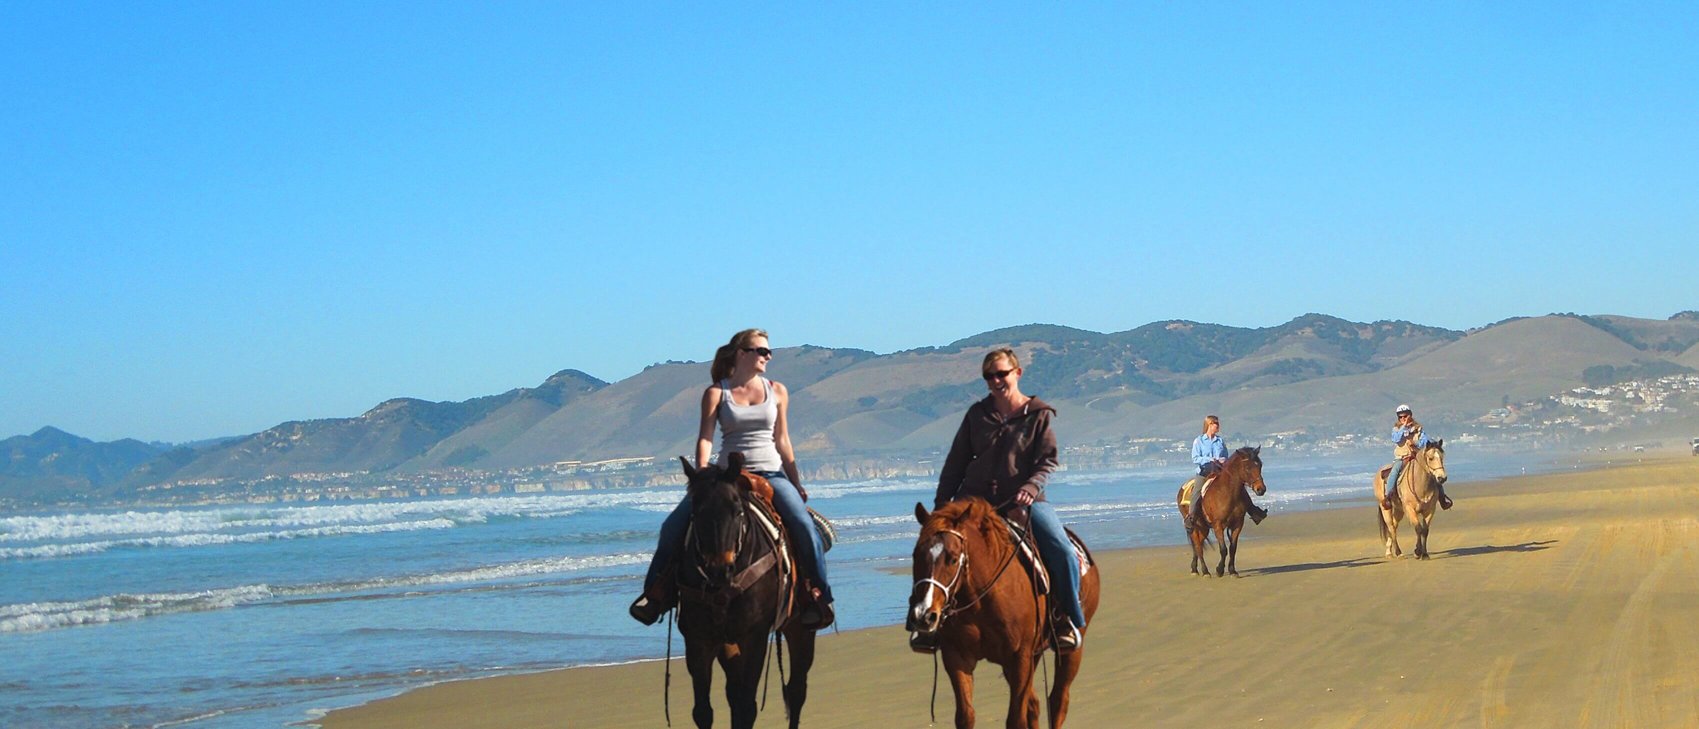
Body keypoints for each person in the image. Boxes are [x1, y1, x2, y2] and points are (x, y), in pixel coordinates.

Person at [629, 329, 834, 629]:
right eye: (760, 351)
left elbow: (783, 440)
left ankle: (817, 595)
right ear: (741, 353)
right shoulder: (717, 393)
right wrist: (701, 473)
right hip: (726, 477)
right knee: (672, 526)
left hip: (770, 473)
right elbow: (705, 438)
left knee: (803, 525)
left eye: (769, 352)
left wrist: (795, 481)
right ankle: (655, 594)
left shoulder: (777, 391)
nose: (767, 356)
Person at [925, 347, 1086, 652]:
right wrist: (941, 506)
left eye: (1001, 374)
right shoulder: (977, 415)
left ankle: (1068, 620)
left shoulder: (1038, 415)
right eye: (989, 376)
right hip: (974, 502)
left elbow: (1047, 461)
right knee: (934, 550)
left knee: (1061, 549)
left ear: (1017, 373)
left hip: (1024, 502)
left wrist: (1031, 486)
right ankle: (927, 622)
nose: (996, 380)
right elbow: (955, 463)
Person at [1183, 415, 1267, 530]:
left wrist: (1223, 460)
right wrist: (1210, 459)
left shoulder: (1220, 441)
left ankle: (1254, 512)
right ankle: (1191, 517)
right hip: (1204, 471)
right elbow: (1195, 458)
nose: (1217, 426)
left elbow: (1226, 456)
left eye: (1217, 424)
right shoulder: (1199, 441)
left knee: (1239, 487)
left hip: (1219, 470)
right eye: (1215, 424)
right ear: (1209, 425)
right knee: (1197, 491)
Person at [1384, 404, 1452, 510]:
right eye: (1400, 417)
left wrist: (1415, 444)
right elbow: (1396, 439)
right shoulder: (1396, 429)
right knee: (1395, 471)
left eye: (1405, 416)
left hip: (1417, 457)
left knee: (1433, 475)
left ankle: (1442, 498)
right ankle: (1388, 497)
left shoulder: (1418, 429)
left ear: (1410, 415)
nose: (1403, 418)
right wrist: (1404, 426)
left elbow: (1424, 442)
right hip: (1402, 457)